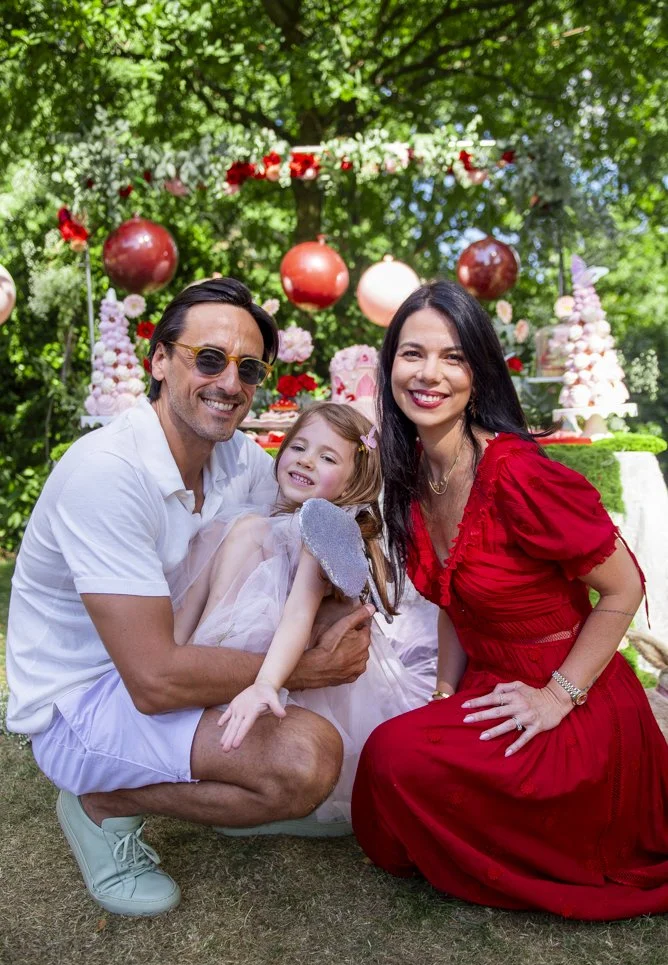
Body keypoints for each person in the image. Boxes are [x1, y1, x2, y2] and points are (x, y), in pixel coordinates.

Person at [6, 277, 374, 917]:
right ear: (158, 361)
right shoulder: (108, 474)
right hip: (87, 700)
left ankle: (239, 793)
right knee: (306, 763)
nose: (230, 383)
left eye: (249, 368)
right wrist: (308, 666)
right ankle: (100, 803)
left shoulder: (238, 459)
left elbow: (307, 528)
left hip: (181, 662)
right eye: (209, 359)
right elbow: (152, 680)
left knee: (333, 746)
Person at [351, 280, 668, 920]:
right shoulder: (414, 470)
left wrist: (557, 697)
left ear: (480, 372)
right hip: (493, 688)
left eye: (453, 357)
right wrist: (444, 697)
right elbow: (451, 598)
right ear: (390, 368)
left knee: (392, 756)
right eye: (412, 355)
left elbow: (625, 587)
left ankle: (582, 828)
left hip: (574, 705)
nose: (429, 374)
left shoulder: (519, 473)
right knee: (389, 772)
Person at [172, 402, 431, 824]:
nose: (306, 460)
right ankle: (178, 658)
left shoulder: (321, 529)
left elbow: (297, 614)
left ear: (352, 482)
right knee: (231, 532)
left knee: (243, 533)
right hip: (249, 645)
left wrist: (266, 684)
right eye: (299, 447)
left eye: (328, 458)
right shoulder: (259, 519)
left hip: (286, 664)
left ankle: (194, 674)